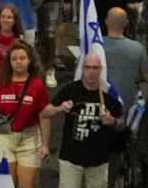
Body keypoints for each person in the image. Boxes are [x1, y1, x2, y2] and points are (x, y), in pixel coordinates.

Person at [40, 51, 124, 188]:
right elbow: (45, 112)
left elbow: (121, 123)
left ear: (101, 70)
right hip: (71, 160)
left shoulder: (108, 94)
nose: (91, 71)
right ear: (82, 69)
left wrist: (112, 121)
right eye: (88, 67)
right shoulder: (71, 90)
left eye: (95, 68)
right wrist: (60, 108)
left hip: (98, 161)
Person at [0, 41, 49, 188]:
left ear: (29, 60)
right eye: (14, 59)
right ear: (9, 62)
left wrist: (45, 144)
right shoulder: (1, 83)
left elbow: (44, 116)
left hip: (29, 140)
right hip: (3, 138)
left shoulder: (37, 85)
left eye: (22, 58)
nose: (18, 62)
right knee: (5, 185)